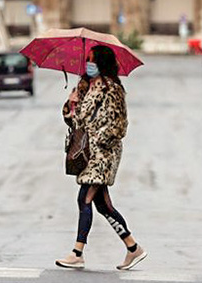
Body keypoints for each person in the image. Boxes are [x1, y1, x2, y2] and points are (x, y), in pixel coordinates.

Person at [55, 45, 147, 271]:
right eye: (87, 59)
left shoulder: (112, 89)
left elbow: (120, 124)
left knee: (84, 198)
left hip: (103, 155)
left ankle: (77, 252)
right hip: (88, 155)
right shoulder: (85, 87)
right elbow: (76, 123)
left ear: (102, 62)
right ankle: (133, 248)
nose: (88, 63)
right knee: (103, 206)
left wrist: (100, 137)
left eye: (92, 59)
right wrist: (71, 103)